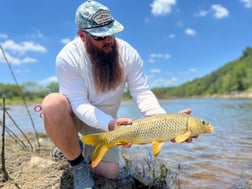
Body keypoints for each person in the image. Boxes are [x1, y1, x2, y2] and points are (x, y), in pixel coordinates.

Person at [41, 0, 196, 188]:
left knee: (110, 173)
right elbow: (79, 103)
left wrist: (166, 123)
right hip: (75, 114)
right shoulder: (67, 57)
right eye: (99, 37)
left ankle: (75, 146)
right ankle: (76, 162)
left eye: (110, 33)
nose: (108, 40)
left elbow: (141, 93)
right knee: (52, 104)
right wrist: (110, 123)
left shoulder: (128, 54)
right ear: (82, 36)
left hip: (106, 123)